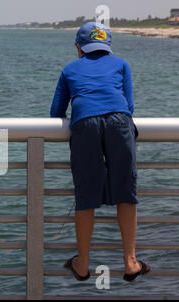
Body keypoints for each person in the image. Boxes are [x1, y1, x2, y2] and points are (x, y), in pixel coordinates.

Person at [50, 22, 150, 282]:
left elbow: (56, 112)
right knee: (126, 191)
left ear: (78, 48)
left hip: (85, 125)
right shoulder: (121, 64)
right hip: (119, 121)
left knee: (86, 193)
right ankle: (130, 262)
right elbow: (129, 105)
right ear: (107, 47)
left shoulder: (69, 69)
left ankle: (82, 264)